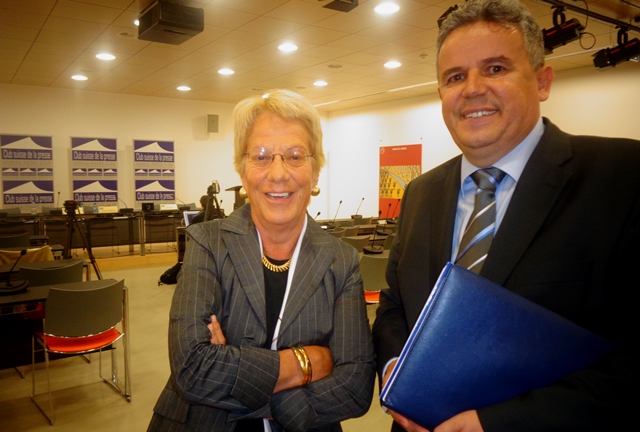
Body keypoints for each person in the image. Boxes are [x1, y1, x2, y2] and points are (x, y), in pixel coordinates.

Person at [372, 0, 639, 431]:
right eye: (455, 77)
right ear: (441, 94)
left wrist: (496, 423)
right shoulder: (420, 193)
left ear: (542, 81)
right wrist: (394, 372)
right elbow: (394, 305)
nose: (472, 88)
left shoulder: (623, 178)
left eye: (495, 68)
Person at [149, 89, 376, 432]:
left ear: (315, 173)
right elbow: (193, 369)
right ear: (243, 173)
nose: (278, 173)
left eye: (295, 156)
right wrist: (306, 362)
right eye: (261, 156)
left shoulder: (341, 260)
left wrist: (237, 374)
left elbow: (355, 387)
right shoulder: (207, 242)